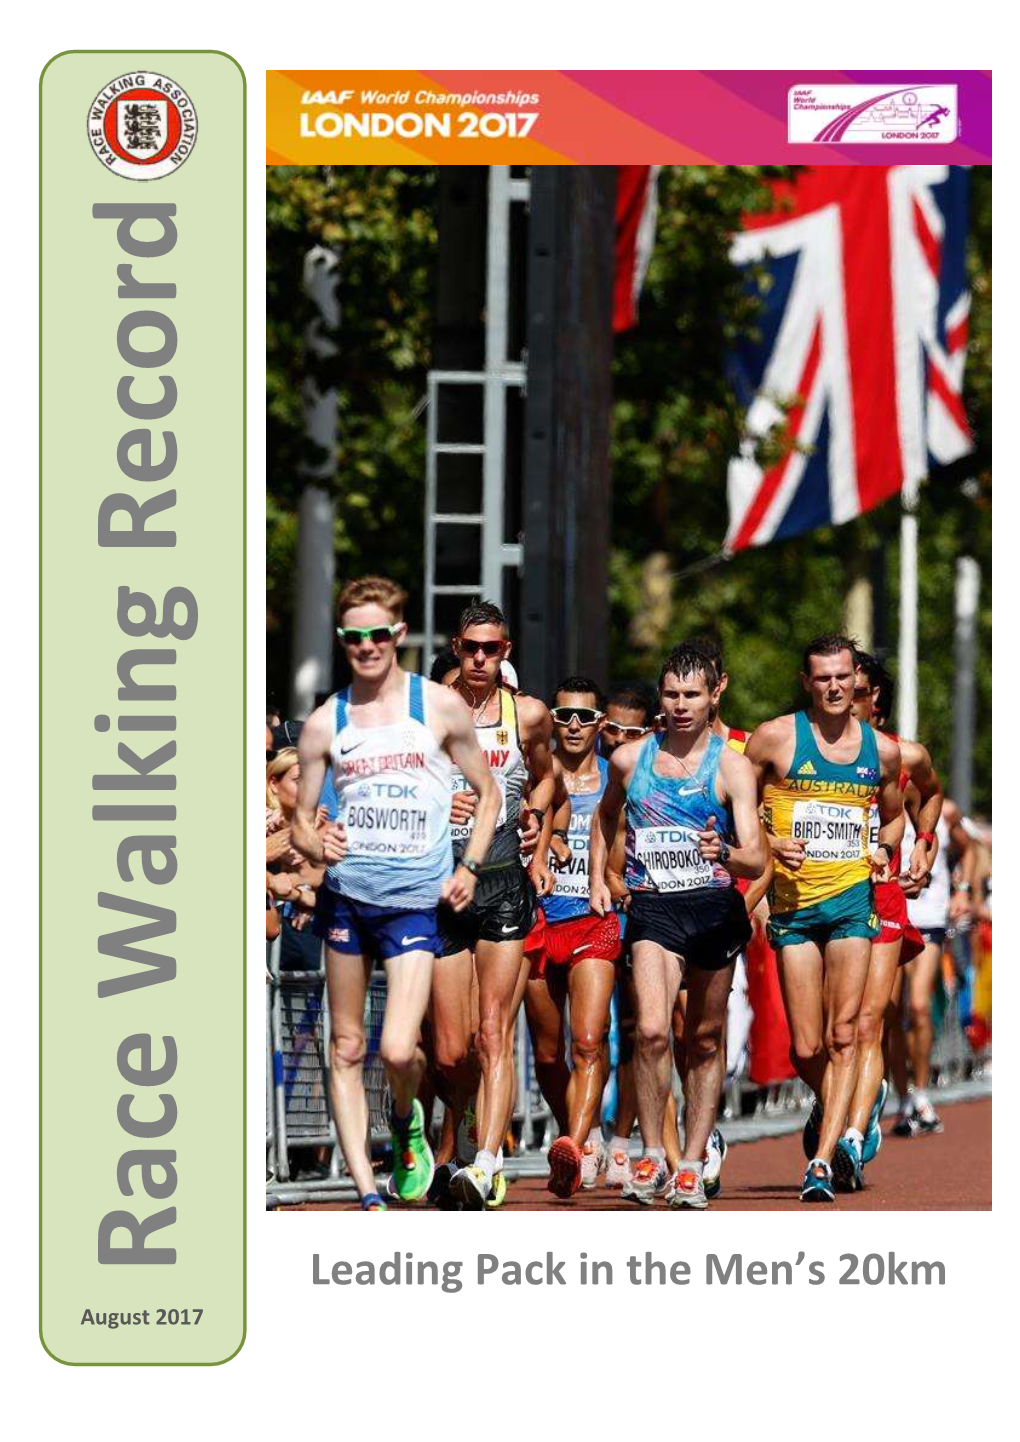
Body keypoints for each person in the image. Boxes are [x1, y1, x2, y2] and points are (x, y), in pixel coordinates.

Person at [293, 576, 501, 1212]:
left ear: (399, 635)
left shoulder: (436, 706)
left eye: (378, 634)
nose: (367, 646)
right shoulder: (326, 722)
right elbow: (302, 819)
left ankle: (407, 1118)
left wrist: (468, 865)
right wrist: (313, 844)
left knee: (395, 1048)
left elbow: (488, 793)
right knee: (348, 1046)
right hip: (348, 901)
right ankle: (366, 1193)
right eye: (354, 636)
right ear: (342, 640)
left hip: (414, 899)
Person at [591, 644, 767, 1208]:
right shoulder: (630, 760)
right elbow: (605, 814)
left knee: (706, 1038)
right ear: (660, 697)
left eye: (693, 694)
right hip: (655, 909)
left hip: (713, 909)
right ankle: (651, 1153)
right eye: (672, 694)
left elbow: (756, 858)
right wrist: (601, 875)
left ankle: (691, 1162)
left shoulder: (732, 766)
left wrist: (727, 852)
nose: (682, 705)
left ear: (715, 694)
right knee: (649, 1031)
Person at [746, 634, 904, 1203]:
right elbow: (733, 800)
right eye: (823, 679)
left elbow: (893, 817)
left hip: (850, 907)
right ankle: (847, 1100)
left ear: (854, 679)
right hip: (792, 909)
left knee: (844, 1034)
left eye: (843, 677)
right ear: (806, 682)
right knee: (807, 1048)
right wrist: (769, 838)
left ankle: (822, 1159)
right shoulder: (775, 738)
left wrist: (886, 851)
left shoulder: (881, 751)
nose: (835, 688)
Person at [433, 600, 556, 1209]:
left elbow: (549, 777)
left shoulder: (526, 714)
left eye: (494, 649)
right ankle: (456, 1134)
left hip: (504, 879)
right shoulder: (425, 710)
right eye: (471, 648)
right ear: (456, 647)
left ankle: (485, 1161)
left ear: (506, 652)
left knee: (493, 1032)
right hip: (444, 885)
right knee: (452, 1049)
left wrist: (536, 819)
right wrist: (436, 803)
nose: (481, 658)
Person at [837, 652, 940, 1169]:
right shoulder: (803, 747)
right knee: (821, 1037)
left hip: (881, 897)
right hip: (822, 898)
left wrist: (924, 843)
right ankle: (846, 1098)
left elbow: (933, 794)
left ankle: (853, 1134)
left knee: (871, 1020)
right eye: (830, 686)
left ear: (874, 696)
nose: (840, 698)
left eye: (853, 690)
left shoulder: (904, 754)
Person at [524, 679, 623, 1197]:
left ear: (600, 724)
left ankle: (575, 1142)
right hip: (538, 921)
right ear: (553, 722)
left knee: (588, 1040)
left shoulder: (616, 777)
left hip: (593, 923)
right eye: (565, 717)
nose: (575, 726)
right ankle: (579, 1135)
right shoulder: (536, 778)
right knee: (546, 1054)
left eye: (585, 717)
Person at [598, 684, 659, 1188]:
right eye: (610, 727)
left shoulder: (652, 774)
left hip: (646, 918)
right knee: (588, 1034)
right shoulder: (581, 770)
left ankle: (626, 1138)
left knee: (644, 1030)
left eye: (631, 731)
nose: (617, 738)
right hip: (587, 915)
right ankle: (585, 1136)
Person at [891, 796, 975, 1134]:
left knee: (919, 1006)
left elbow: (968, 849)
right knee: (889, 1012)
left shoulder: (947, 810)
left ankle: (923, 1093)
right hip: (890, 916)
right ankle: (902, 1099)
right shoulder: (878, 799)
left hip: (929, 918)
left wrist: (963, 891)